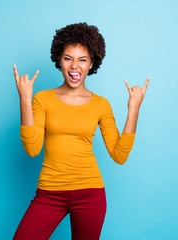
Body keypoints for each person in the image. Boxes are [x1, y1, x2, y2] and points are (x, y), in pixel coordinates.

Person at [12, 22, 149, 240]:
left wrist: (133, 110)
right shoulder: (42, 99)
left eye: (82, 59)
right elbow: (32, 148)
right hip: (49, 193)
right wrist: (25, 101)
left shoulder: (101, 104)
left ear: (92, 63)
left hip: (90, 194)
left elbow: (119, 155)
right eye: (68, 58)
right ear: (59, 60)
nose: (74, 66)